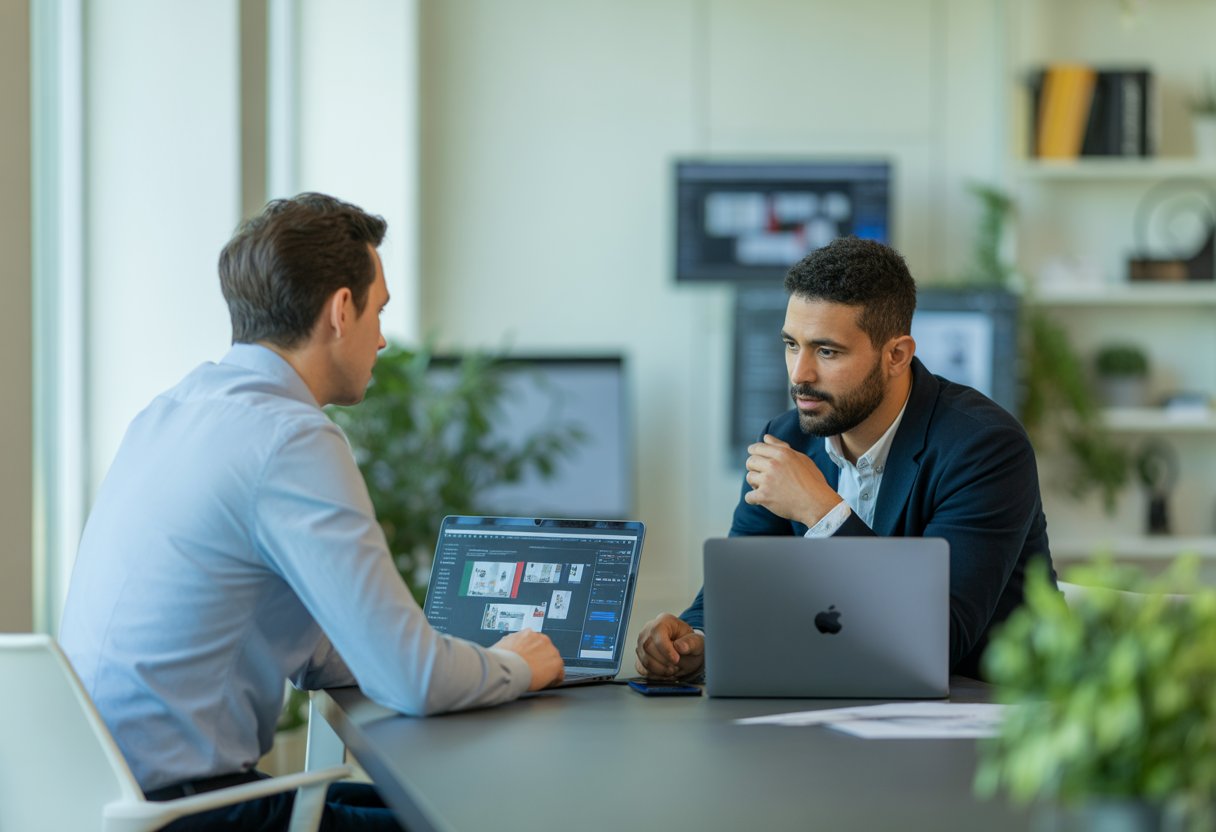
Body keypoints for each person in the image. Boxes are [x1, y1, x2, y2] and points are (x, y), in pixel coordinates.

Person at [59, 193, 564, 831]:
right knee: (493, 820)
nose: (382, 339)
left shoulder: (167, 414)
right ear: (341, 309)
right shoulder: (290, 437)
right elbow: (411, 681)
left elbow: (322, 651)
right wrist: (518, 664)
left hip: (97, 802)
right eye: (379, 313)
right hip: (189, 813)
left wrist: (445, 655)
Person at [635, 236, 1053, 682]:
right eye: (791, 344)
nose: (800, 374)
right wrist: (696, 638)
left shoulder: (984, 448)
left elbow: (939, 639)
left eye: (826, 351)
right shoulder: (786, 437)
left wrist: (821, 512)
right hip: (837, 699)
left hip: (986, 715)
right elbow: (738, 586)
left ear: (896, 355)